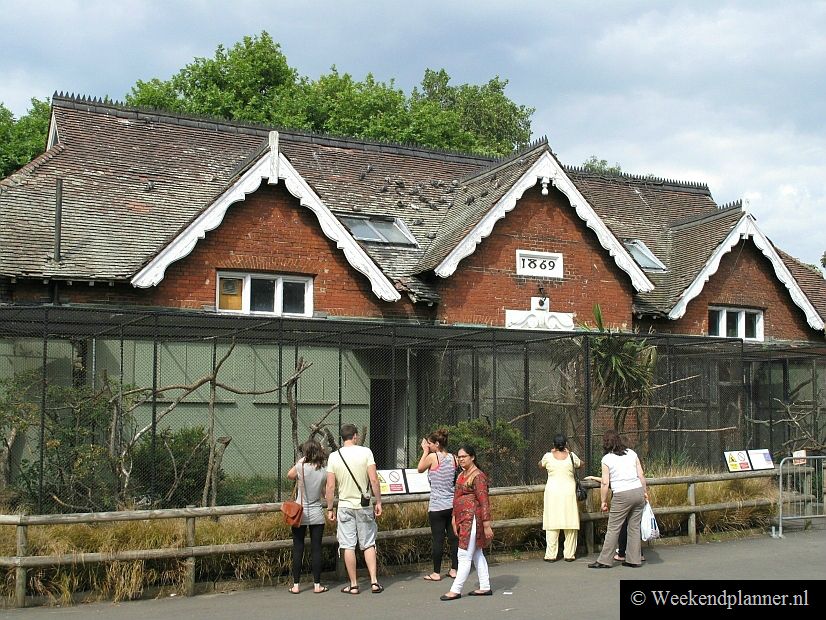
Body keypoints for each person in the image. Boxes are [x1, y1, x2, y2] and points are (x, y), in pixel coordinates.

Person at [325, 423, 384, 594]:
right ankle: (374, 581)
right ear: (355, 436)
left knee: (348, 545)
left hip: (344, 505)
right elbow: (374, 479)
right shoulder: (366, 452)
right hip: (364, 505)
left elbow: (330, 486)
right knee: (368, 543)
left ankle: (353, 584)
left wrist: (330, 508)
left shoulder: (334, 456)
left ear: (342, 437)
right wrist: (378, 501)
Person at [588, 429, 648, 569]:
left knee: (613, 528)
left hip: (621, 495)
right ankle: (634, 559)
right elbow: (641, 475)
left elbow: (605, 482)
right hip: (637, 491)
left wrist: (603, 501)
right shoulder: (631, 453)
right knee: (634, 527)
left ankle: (604, 560)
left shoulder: (607, 459)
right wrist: (644, 492)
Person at [440, 444, 493, 601]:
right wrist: (454, 518)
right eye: (459, 457)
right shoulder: (461, 475)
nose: (461, 459)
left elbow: (484, 501)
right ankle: (485, 586)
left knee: (463, 554)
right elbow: (456, 497)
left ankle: (455, 590)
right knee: (476, 553)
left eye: (464, 456)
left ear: (472, 457)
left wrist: (486, 524)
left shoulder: (478, 476)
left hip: (472, 519)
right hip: (462, 518)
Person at [286, 439, 329, 594]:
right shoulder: (323, 470)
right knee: (316, 549)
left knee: (298, 548)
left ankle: (296, 585)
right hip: (317, 514)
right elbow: (324, 492)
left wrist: (303, 459)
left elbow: (289, 475)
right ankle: (317, 585)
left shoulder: (300, 467)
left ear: (306, 453)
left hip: (300, 513)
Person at [417, 428, 459, 581]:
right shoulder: (454, 458)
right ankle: (454, 569)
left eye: (430, 443)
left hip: (436, 506)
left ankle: (436, 573)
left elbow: (420, 469)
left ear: (436, 444)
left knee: (438, 539)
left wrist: (424, 451)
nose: (428, 446)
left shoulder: (433, 457)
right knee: (454, 538)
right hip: (451, 504)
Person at [538, 434, 582, 562]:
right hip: (569, 492)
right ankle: (569, 554)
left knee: (552, 523)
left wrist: (552, 452)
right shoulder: (572, 456)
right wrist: (568, 452)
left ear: (554, 445)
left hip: (552, 493)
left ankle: (550, 555)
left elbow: (540, 465)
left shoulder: (548, 456)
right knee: (570, 522)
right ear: (566, 444)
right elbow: (581, 464)